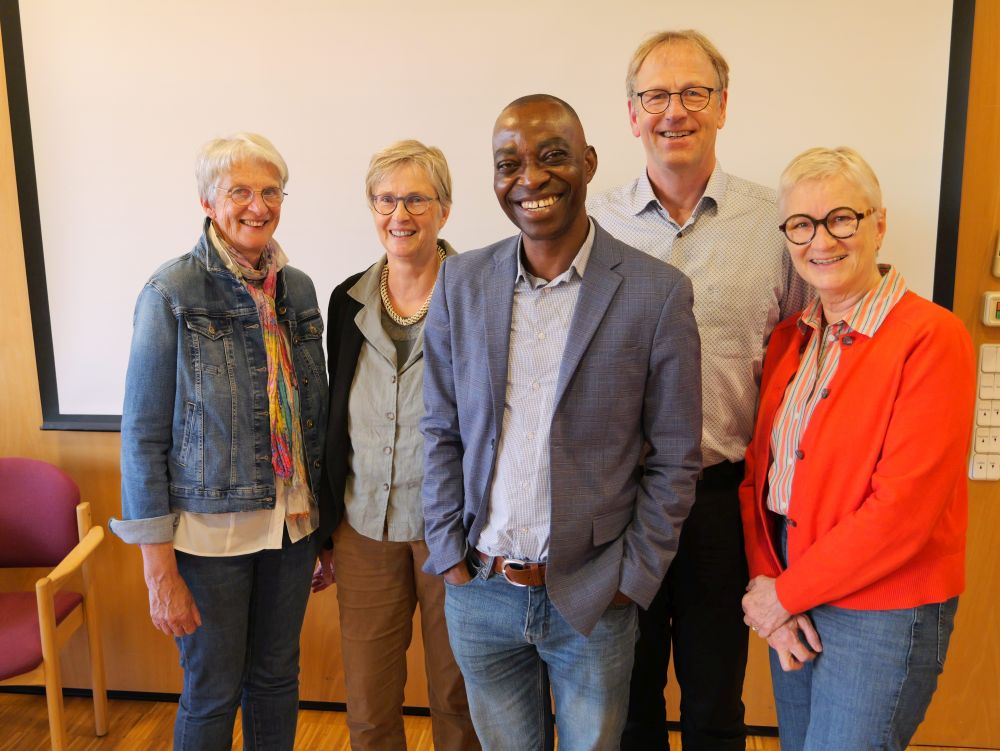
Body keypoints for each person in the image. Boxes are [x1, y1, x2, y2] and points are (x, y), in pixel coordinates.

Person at [420, 94, 702, 751]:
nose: (530, 178)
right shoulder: (461, 281)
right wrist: (448, 551)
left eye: (553, 156)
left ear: (589, 162)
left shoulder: (656, 292)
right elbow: (439, 428)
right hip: (482, 586)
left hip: (593, 596)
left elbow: (675, 457)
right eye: (508, 164)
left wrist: (632, 579)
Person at [588, 29, 811, 750]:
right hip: (621, 502)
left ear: (722, 106)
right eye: (655, 96)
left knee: (716, 700)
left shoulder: (775, 228)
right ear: (631, 113)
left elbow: (807, 358)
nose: (674, 111)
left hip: (723, 501)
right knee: (628, 700)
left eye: (694, 93)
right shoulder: (594, 227)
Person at [740, 146, 974, 750]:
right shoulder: (790, 338)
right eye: (801, 224)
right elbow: (760, 475)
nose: (821, 240)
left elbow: (904, 512)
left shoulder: (932, 338)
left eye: (841, 218)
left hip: (881, 608)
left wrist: (783, 595)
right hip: (792, 586)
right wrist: (769, 582)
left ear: (879, 224)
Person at [111, 132, 330, 750]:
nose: (258, 206)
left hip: (292, 528)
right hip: (209, 538)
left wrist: (327, 530)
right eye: (240, 192)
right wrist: (158, 570)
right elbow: (143, 435)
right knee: (211, 691)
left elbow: (313, 414)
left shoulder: (298, 288)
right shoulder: (171, 292)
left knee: (277, 681)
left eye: (271, 192)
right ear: (208, 202)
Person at [311, 140, 479, 751]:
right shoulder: (345, 300)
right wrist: (325, 529)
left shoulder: (478, 295)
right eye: (385, 200)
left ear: (445, 209)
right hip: (364, 528)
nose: (399, 214)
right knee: (368, 703)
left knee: (458, 698)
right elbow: (333, 418)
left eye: (415, 199)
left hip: (452, 531)